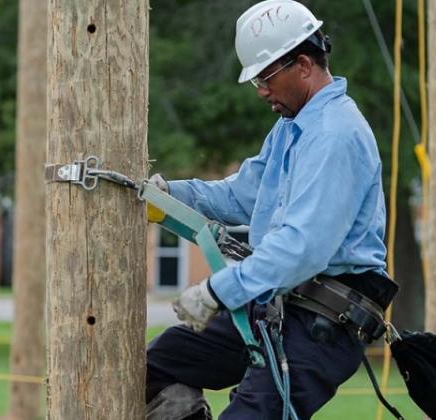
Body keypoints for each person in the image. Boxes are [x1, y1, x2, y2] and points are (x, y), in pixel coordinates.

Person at [144, 1, 397, 419]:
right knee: (153, 367)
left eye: (265, 77)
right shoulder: (292, 129)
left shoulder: (335, 136)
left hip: (321, 325)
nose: (261, 90)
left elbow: (303, 247)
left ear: (302, 64)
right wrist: (171, 194)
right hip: (278, 306)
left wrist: (216, 292)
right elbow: (244, 195)